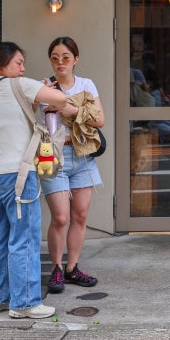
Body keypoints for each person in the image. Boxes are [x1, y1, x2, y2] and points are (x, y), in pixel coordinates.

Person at [0, 41, 78, 319]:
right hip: (18, 175)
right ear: (2, 64)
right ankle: (25, 303)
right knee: (25, 239)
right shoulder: (19, 84)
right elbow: (58, 100)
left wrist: (36, 92)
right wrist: (47, 90)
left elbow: (14, 113)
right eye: (18, 62)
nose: (22, 68)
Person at [41, 37, 104, 293]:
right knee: (60, 217)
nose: (60, 62)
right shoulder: (45, 86)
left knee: (80, 215)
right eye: (55, 57)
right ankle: (56, 268)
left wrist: (71, 110)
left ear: (75, 59)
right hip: (54, 156)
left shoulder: (87, 84)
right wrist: (45, 96)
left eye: (66, 57)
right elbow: (42, 114)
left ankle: (72, 268)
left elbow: (99, 120)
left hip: (83, 156)